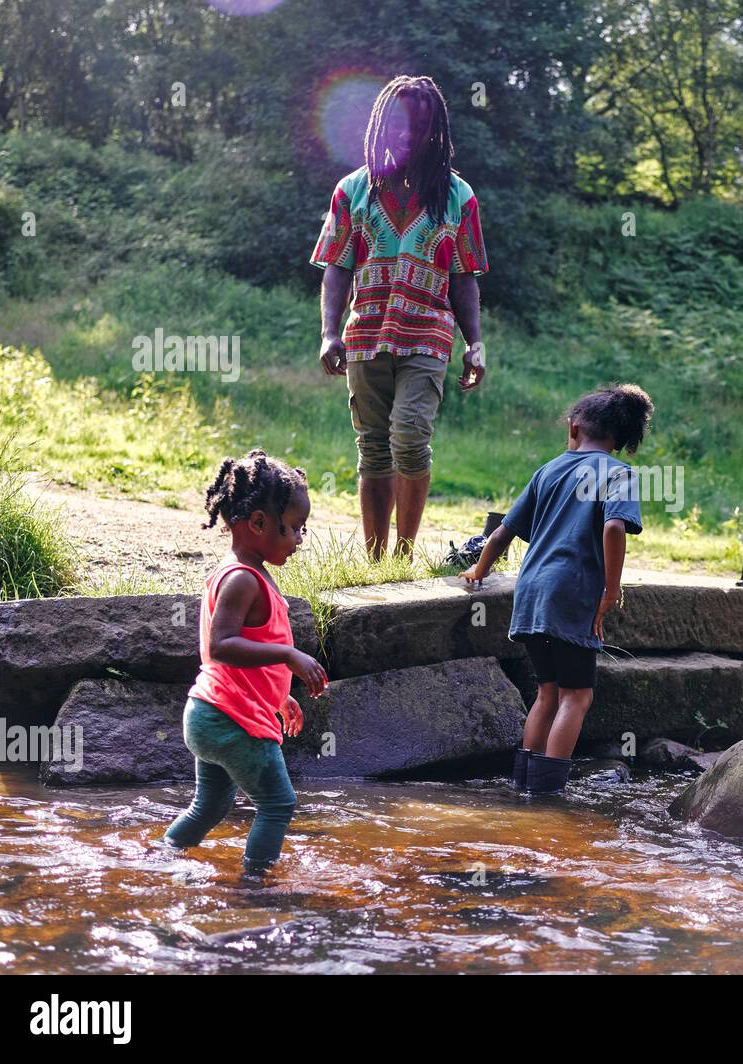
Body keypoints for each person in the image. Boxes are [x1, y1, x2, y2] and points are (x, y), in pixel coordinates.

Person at [311, 74, 489, 559]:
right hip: (365, 334)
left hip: (429, 335)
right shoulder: (352, 192)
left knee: (410, 437)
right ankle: (375, 561)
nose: (409, 135)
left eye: (421, 126)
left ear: (436, 130)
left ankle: (404, 555)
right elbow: (336, 267)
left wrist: (475, 343)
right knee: (373, 447)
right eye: (399, 125)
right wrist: (329, 333)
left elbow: (464, 277)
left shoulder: (458, 197)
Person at [462, 385, 653, 794]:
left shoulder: (547, 471)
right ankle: (548, 794)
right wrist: (610, 591)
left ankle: (524, 786)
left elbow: (501, 534)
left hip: (530, 593)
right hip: (573, 593)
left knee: (547, 693)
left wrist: (477, 571)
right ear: (619, 441)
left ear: (574, 427)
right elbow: (615, 527)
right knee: (576, 697)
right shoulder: (618, 474)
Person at [163, 451, 329, 875]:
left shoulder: (248, 572)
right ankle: (255, 887)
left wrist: (280, 697)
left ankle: (162, 857)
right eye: (292, 528)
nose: (298, 539)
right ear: (257, 523)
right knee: (278, 803)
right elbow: (221, 646)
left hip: (211, 715)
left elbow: (245, 660)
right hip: (230, 721)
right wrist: (289, 656)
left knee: (210, 806)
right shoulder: (241, 579)